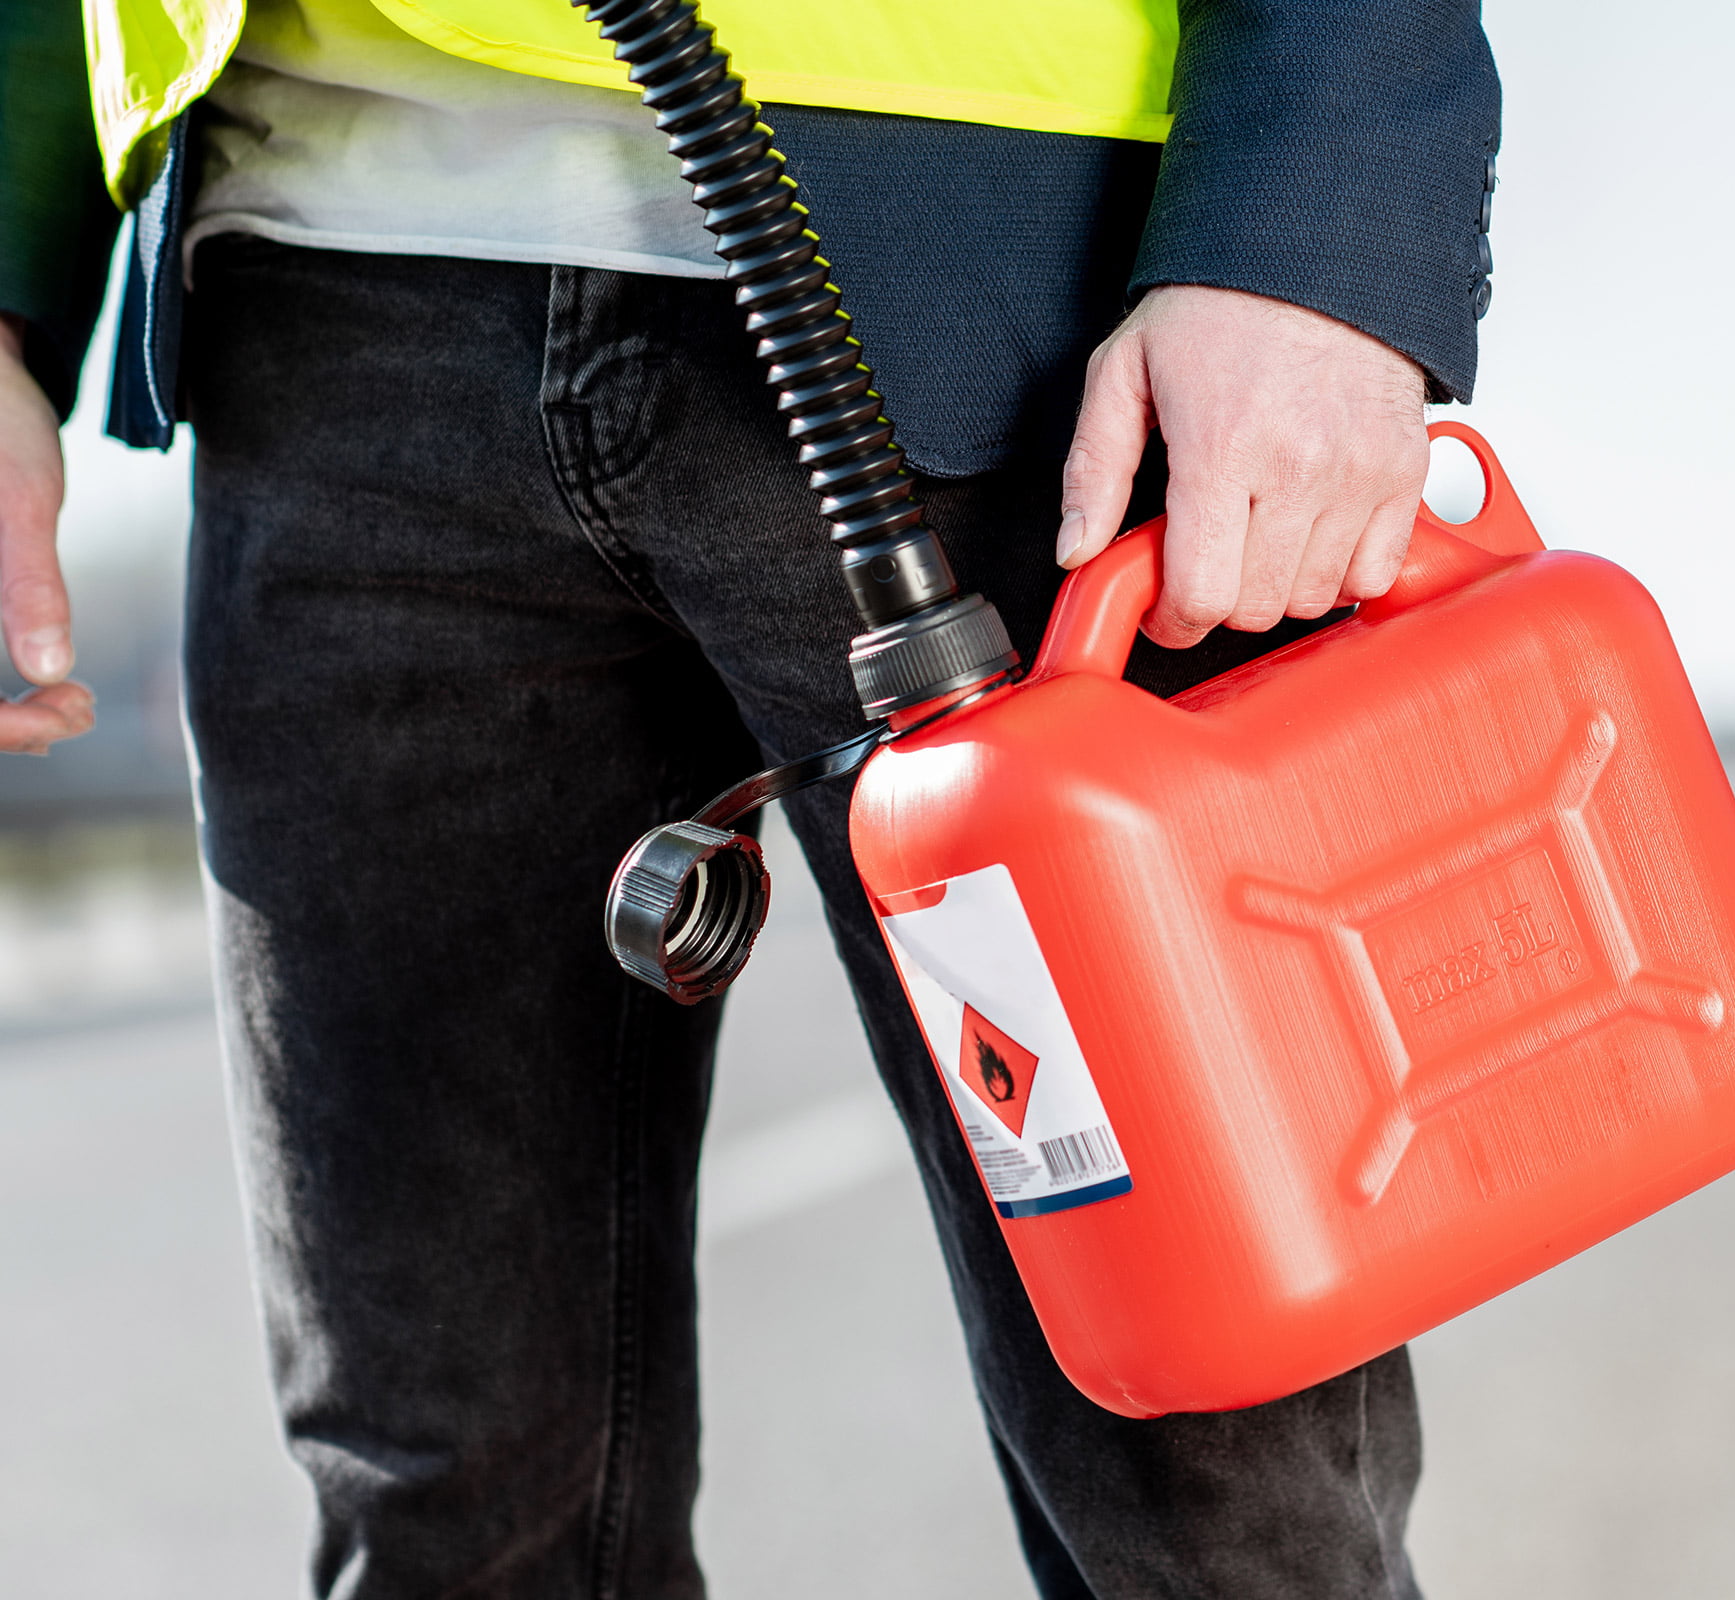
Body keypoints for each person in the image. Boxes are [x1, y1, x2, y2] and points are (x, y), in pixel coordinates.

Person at [0, 0, 1500, 1593]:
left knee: (1208, 1488)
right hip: (326, 311)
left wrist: (1314, 218)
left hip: (998, 298)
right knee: (442, 1500)